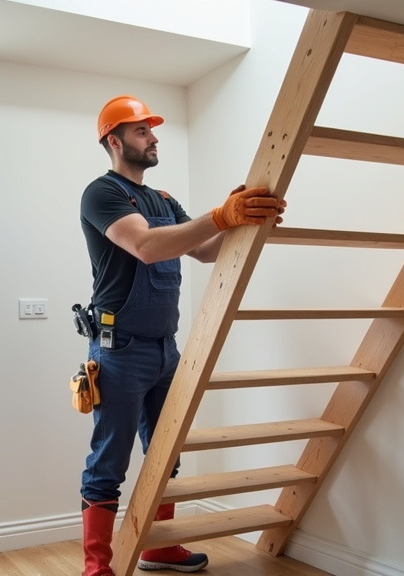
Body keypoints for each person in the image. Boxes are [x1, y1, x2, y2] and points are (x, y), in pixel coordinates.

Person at [78, 95, 285, 576]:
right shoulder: (101, 193)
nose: (153, 138)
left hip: (165, 349)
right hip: (119, 351)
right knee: (109, 460)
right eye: (141, 131)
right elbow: (146, 247)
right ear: (114, 140)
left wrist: (247, 219)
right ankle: (97, 567)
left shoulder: (164, 200)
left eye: (152, 130)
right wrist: (221, 215)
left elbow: (206, 249)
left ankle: (159, 547)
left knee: (165, 451)